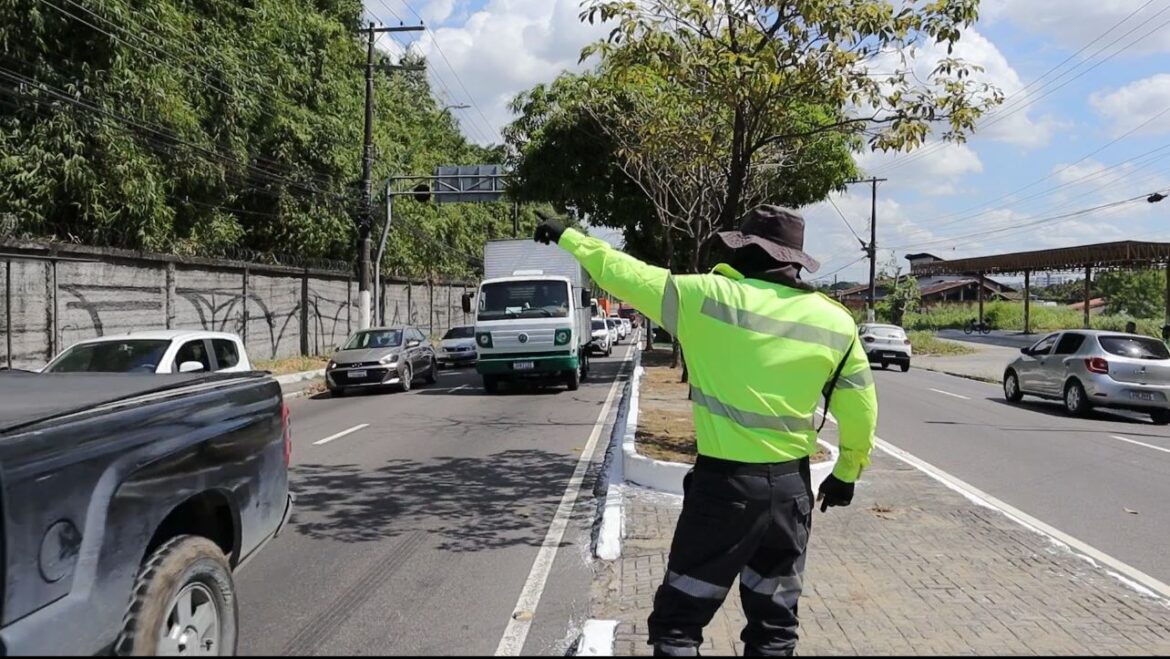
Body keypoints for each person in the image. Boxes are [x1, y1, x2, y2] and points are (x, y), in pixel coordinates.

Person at [535, 206, 877, 657]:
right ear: (794, 259)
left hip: (724, 492)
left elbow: (624, 274)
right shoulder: (835, 321)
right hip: (792, 493)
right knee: (774, 627)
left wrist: (570, 237)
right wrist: (847, 473)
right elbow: (862, 408)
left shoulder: (705, 297)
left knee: (679, 624)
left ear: (744, 249)